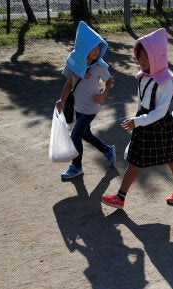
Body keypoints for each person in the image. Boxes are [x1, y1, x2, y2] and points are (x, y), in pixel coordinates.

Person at [101, 28, 173, 210]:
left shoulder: (166, 81)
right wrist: (137, 121)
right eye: (140, 56)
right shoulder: (142, 77)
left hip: (159, 127)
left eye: (146, 56)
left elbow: (160, 112)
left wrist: (137, 121)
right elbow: (142, 104)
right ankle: (120, 198)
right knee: (134, 161)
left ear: (157, 57)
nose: (142, 60)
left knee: (170, 159)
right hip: (143, 124)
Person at [55, 21, 115, 180]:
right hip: (78, 106)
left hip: (91, 107)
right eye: (93, 47)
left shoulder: (99, 66)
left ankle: (76, 166)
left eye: (98, 48)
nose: (96, 51)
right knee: (85, 134)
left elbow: (109, 81)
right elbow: (68, 84)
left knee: (75, 136)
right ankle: (107, 150)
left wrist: (103, 94)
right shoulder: (73, 62)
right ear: (83, 47)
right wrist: (62, 100)